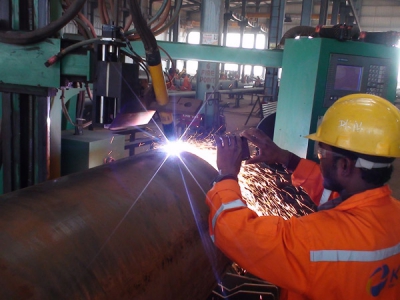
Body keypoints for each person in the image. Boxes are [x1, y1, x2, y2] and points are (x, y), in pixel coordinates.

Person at [206, 93, 400, 299]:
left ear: (344, 165)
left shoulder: (316, 239)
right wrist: (286, 159)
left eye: (321, 153)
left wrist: (227, 176)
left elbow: (237, 234)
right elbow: (339, 194)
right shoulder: (393, 214)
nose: (320, 159)